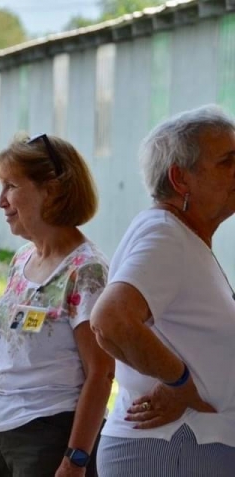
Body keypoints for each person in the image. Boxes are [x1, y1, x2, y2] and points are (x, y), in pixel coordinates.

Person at [90, 105, 235, 476]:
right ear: (180, 179)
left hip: (180, 446)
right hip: (173, 447)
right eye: (227, 161)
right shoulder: (166, 234)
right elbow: (111, 318)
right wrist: (180, 383)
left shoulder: (177, 236)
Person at [0, 133, 114, 477]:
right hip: (4, 432)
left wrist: (75, 460)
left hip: (50, 436)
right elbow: (8, 362)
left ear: (52, 189)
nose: (1, 201)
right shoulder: (22, 260)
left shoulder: (85, 270)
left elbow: (101, 374)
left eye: (11, 186)